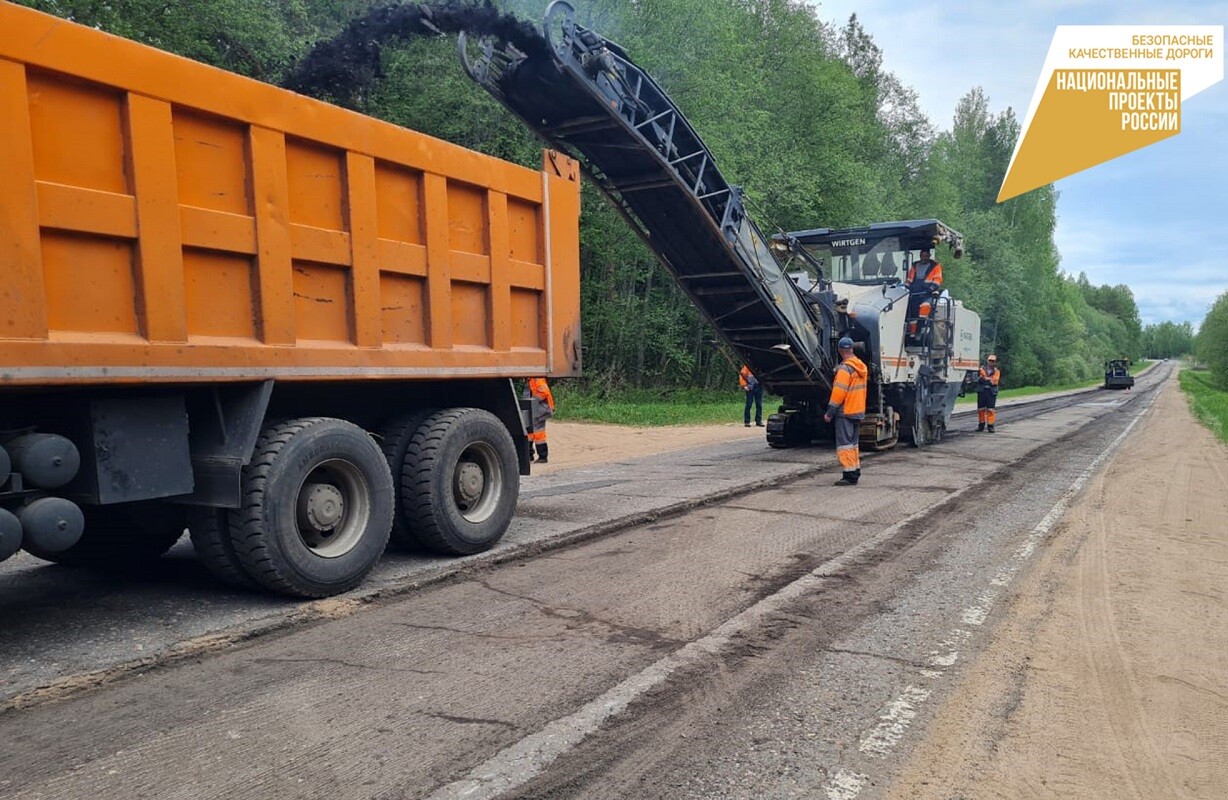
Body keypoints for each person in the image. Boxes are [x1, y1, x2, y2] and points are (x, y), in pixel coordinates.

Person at [824, 337, 867, 486]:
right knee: (853, 444)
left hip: (846, 411)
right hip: (857, 410)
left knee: (844, 444)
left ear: (840, 350)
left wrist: (830, 412)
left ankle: (849, 475)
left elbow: (839, 393)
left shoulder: (845, 369)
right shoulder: (860, 366)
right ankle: (855, 470)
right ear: (852, 349)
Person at [525, 377, 555, 462]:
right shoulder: (533, 379)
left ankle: (536, 455)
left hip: (539, 409)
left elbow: (544, 392)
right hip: (540, 409)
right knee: (535, 432)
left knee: (534, 431)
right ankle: (537, 455)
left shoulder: (536, 379)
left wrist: (532, 400)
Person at [977, 354, 1001, 432]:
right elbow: (979, 379)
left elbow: (994, 382)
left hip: (991, 393)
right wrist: (986, 380)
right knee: (981, 409)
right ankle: (981, 425)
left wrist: (985, 379)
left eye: (993, 361)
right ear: (987, 361)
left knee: (990, 410)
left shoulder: (997, 371)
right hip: (982, 392)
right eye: (990, 361)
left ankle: (990, 426)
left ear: (995, 363)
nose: (991, 362)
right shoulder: (981, 369)